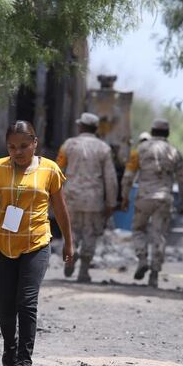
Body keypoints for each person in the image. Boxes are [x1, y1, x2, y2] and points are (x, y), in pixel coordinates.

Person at [0, 120, 73, 366]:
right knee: (5, 306)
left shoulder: (50, 170)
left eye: (23, 146)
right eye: (12, 146)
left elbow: (60, 209)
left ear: (35, 143)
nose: (17, 152)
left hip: (36, 243)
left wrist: (69, 243)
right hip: (4, 245)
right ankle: (10, 346)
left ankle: (24, 360)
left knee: (26, 303)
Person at [120, 118, 183, 288]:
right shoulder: (174, 152)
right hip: (164, 199)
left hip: (144, 197)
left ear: (152, 131)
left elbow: (128, 177)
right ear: (168, 133)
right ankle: (154, 275)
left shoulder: (139, 150)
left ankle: (142, 259)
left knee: (138, 230)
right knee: (159, 235)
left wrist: (124, 197)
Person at [56, 112, 118, 282]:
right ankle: (84, 272)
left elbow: (57, 170)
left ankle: (71, 253)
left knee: (70, 231)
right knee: (90, 234)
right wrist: (111, 202)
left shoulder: (68, 145)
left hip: (71, 197)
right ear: (96, 128)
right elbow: (110, 178)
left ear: (81, 126)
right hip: (94, 199)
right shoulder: (104, 148)